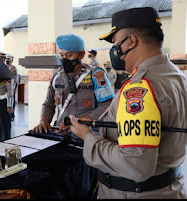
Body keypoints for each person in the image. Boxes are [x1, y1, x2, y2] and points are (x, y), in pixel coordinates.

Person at [69, 7, 187, 199]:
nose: (114, 49)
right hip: (170, 188)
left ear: (131, 41)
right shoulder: (177, 77)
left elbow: (136, 165)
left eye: (115, 42)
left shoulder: (140, 88)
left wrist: (88, 137)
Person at [33, 34, 114, 133]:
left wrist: (80, 121)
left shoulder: (95, 74)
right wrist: (44, 121)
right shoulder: (57, 76)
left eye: (69, 55)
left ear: (82, 55)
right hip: (61, 132)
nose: (64, 59)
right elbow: (48, 103)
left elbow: (107, 105)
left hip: (86, 135)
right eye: (62, 55)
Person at [6, 53, 19, 121]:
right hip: (5, 89)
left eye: (9, 59)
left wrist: (15, 88)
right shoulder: (4, 67)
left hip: (12, 87)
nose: (8, 60)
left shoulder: (14, 68)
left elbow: (16, 79)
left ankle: (12, 115)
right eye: (7, 59)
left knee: (12, 102)